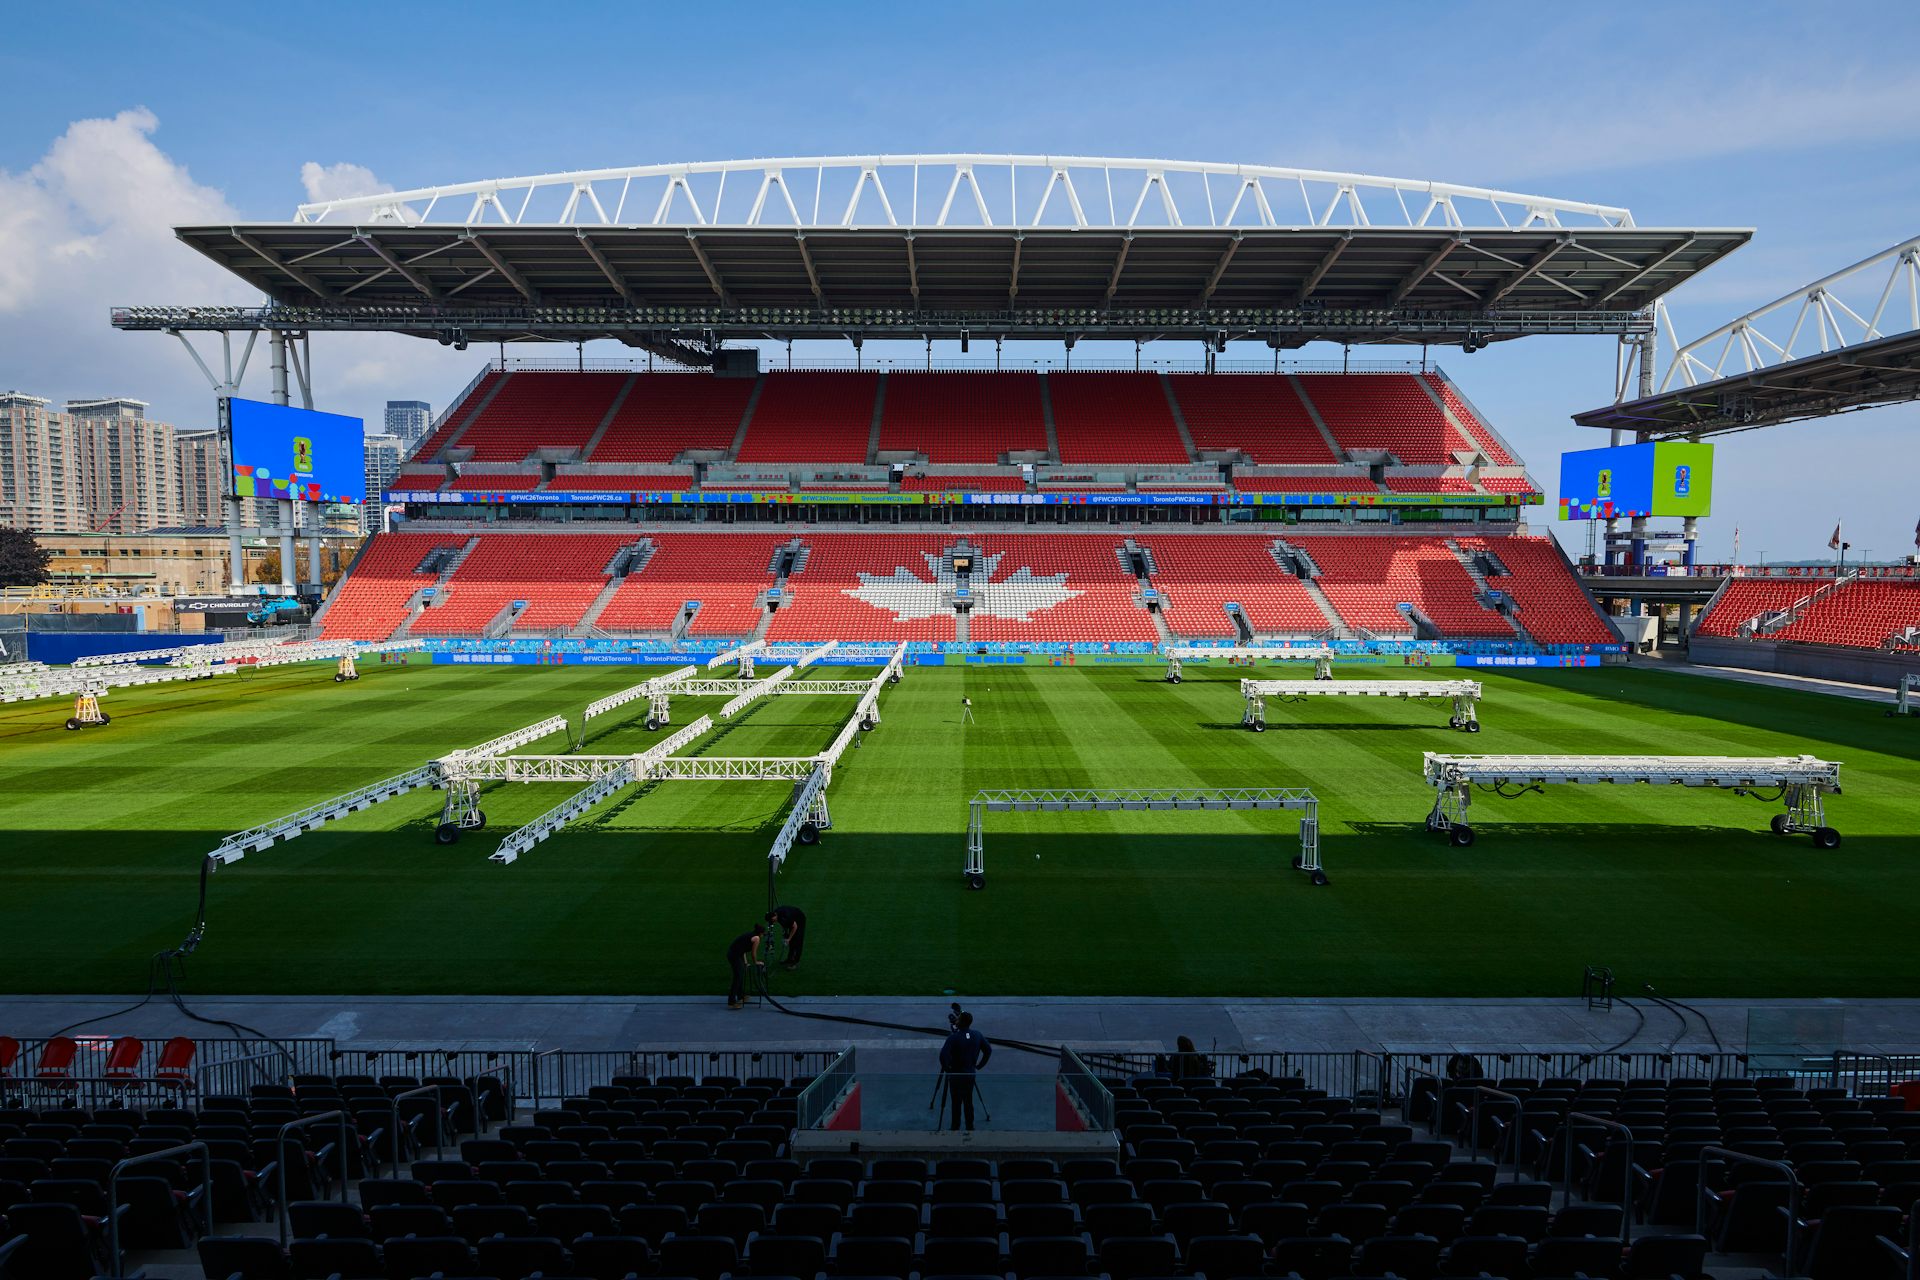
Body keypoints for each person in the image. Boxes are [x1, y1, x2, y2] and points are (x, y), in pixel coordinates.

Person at [938, 1010, 993, 1131]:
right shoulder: (977, 1034)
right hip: (970, 1074)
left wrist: (948, 1069)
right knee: (968, 1101)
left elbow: (943, 1055)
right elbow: (988, 1050)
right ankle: (970, 1126)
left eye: (958, 1019)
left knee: (956, 1103)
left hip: (956, 1075)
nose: (956, 1020)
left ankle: (955, 1127)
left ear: (961, 1022)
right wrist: (979, 1066)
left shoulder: (953, 1038)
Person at [726, 923, 766, 1010]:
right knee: (738, 977)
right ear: (761, 933)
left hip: (735, 953)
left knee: (740, 975)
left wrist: (745, 963)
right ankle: (731, 1002)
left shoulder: (750, 935)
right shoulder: (757, 938)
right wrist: (756, 962)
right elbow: (753, 953)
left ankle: (741, 996)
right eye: (763, 934)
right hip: (734, 955)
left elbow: (743, 949)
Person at [766, 904, 807, 971]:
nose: (772, 923)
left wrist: (789, 939)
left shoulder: (786, 917)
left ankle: (795, 962)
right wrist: (786, 934)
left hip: (799, 920)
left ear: (774, 916)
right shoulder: (776, 914)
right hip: (792, 920)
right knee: (791, 940)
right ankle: (790, 959)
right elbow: (784, 924)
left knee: (797, 940)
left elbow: (794, 926)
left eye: (772, 920)